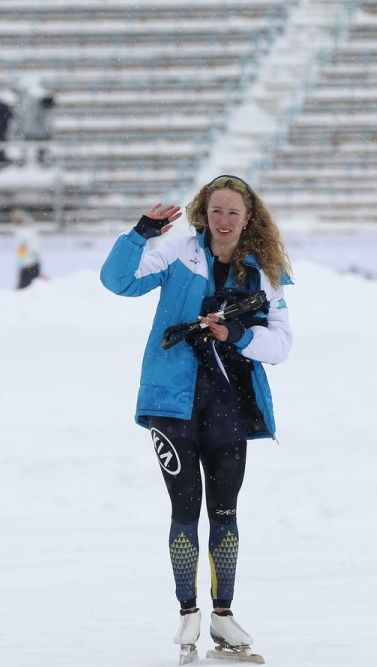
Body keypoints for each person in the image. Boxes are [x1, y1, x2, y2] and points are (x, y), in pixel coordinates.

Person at [100, 175, 293, 664]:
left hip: (228, 402)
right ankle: (188, 611)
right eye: (216, 212)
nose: (223, 222)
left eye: (233, 213)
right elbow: (117, 281)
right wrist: (140, 233)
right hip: (171, 402)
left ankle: (223, 613)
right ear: (203, 214)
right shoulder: (178, 253)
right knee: (185, 508)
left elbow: (281, 345)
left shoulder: (262, 273)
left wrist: (236, 337)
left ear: (248, 218)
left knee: (224, 511)